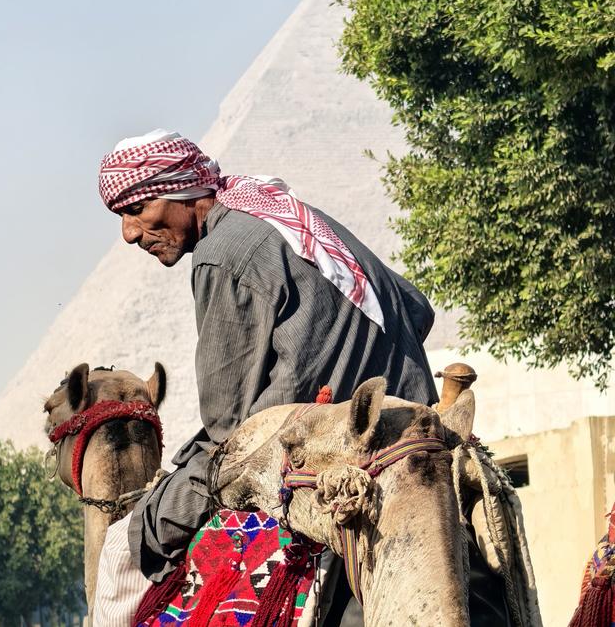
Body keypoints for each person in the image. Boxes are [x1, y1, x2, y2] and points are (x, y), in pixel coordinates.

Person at [95, 128, 439, 625]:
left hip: (305, 451)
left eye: (135, 210)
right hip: (412, 428)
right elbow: (417, 309)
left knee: (118, 553)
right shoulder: (290, 218)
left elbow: (226, 423)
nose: (129, 233)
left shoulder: (221, 254)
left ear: (180, 193)